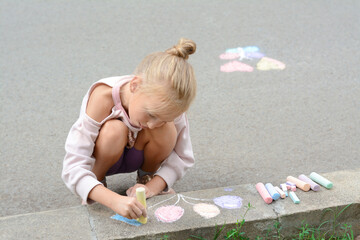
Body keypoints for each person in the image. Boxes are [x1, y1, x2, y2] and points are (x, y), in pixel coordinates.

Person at [62, 38, 197, 220]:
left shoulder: (170, 105)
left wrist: (152, 187)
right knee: (114, 130)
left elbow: (183, 157)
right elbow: (73, 167)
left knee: (167, 130)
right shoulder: (102, 97)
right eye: (150, 114)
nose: (152, 124)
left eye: (164, 119)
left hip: (140, 154)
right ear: (134, 85)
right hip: (106, 156)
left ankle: (145, 178)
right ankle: (97, 184)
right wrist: (112, 200)